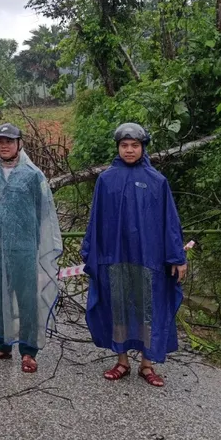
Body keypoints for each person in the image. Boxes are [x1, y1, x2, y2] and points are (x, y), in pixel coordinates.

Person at [80, 122, 188, 387]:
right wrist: (90, 252)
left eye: (134, 145)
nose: (129, 150)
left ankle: (147, 364)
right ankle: (122, 361)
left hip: (148, 258)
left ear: (143, 148)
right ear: (118, 148)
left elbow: (169, 222)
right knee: (119, 306)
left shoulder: (157, 182)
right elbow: (96, 219)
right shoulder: (106, 180)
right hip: (115, 256)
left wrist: (177, 257)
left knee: (146, 308)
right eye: (124, 145)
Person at [0, 123, 62, 373]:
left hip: (24, 247)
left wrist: (35, 243)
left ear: (19, 143)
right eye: (0, 141)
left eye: (9, 141)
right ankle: (2, 345)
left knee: (27, 298)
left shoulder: (33, 175)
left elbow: (44, 212)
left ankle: (29, 351)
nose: (4, 145)